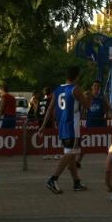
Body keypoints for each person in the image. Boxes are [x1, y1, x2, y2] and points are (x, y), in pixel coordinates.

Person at [42, 66, 90, 194]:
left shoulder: (58, 89)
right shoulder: (76, 89)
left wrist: (42, 126)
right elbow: (87, 106)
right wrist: (88, 96)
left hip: (62, 125)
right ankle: (53, 178)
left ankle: (76, 182)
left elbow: (50, 109)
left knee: (71, 155)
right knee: (71, 153)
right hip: (72, 125)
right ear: (77, 76)